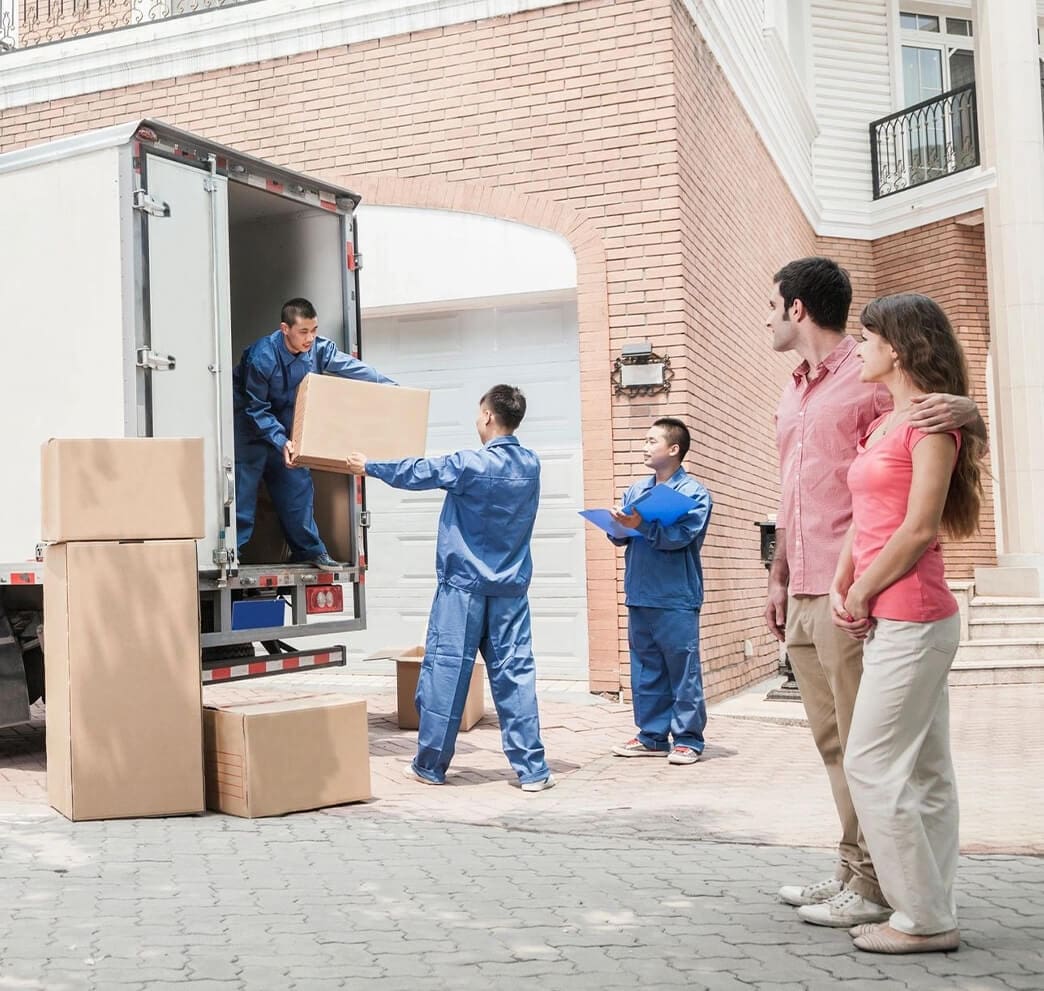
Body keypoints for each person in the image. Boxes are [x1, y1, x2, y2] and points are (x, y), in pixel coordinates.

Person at [765, 257, 984, 928]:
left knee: (874, 753)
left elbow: (922, 450)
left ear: (797, 308)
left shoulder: (866, 385)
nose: (767, 317)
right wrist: (778, 574)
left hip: (867, 592)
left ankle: (878, 886)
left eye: (771, 305)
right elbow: (795, 491)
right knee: (837, 746)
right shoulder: (794, 393)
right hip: (807, 586)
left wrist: (972, 411)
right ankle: (851, 872)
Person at [833, 294, 982, 955]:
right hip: (891, 613)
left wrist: (863, 589)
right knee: (924, 771)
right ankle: (932, 907)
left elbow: (919, 527)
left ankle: (920, 916)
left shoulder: (931, 424)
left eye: (865, 339)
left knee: (870, 762)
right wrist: (845, 574)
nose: (858, 349)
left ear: (895, 346)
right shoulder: (884, 422)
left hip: (915, 615)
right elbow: (869, 511)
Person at [344, 385, 554, 792]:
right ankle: (533, 770)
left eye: (479, 413)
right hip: (510, 590)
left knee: (447, 674)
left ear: (490, 416)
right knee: (515, 676)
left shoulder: (469, 464)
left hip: (464, 590)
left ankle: (430, 766)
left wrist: (369, 466)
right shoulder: (530, 464)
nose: (478, 420)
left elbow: (419, 472)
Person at [233, 298, 395, 570]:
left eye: (314, 330)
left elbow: (353, 368)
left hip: (285, 422)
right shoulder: (263, 356)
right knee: (244, 486)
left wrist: (390, 387)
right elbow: (256, 407)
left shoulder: (319, 350)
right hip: (251, 424)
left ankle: (308, 551)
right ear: (285, 329)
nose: (310, 338)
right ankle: (233, 552)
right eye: (303, 332)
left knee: (297, 484)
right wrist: (280, 440)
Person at [607, 418, 712, 765]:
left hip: (676, 596)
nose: (645, 446)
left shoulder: (694, 494)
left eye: (652, 440)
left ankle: (688, 739)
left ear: (674, 449)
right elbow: (620, 537)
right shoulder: (636, 491)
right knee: (646, 669)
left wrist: (643, 525)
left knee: (682, 670)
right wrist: (619, 526)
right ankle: (652, 736)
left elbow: (681, 538)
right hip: (640, 593)